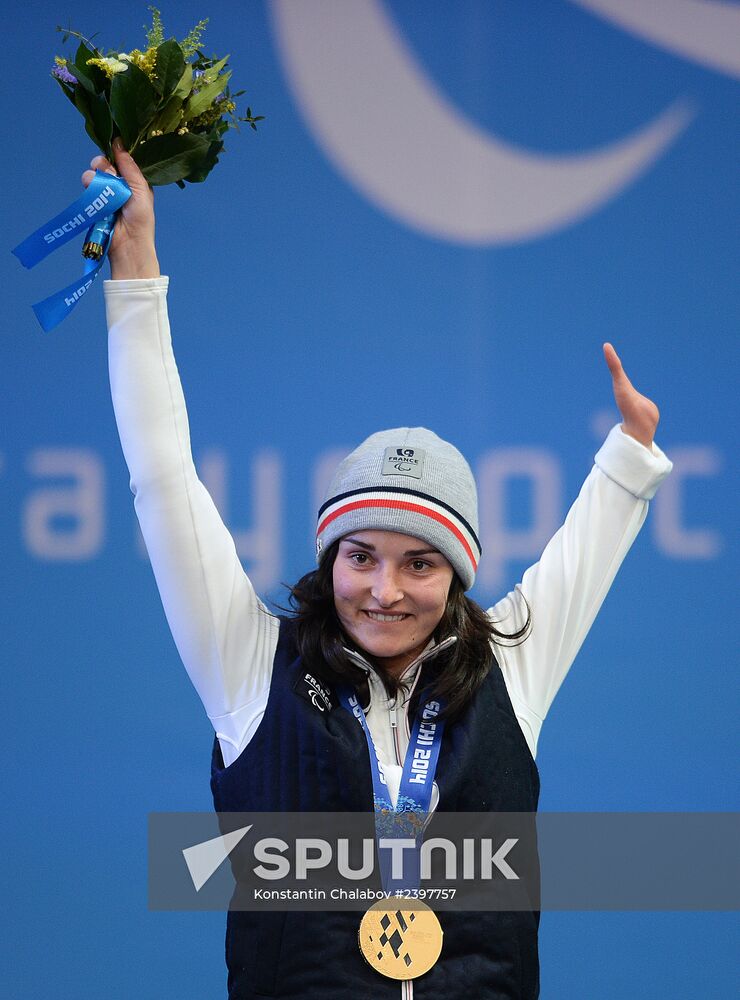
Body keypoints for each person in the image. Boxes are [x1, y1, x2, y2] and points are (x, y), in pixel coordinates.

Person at [87, 139, 673, 1000]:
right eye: (360, 556)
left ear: (458, 576)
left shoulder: (511, 664)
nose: (384, 590)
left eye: (420, 563)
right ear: (330, 559)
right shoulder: (249, 665)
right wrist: (135, 272)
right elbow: (162, 479)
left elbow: (586, 548)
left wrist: (629, 458)